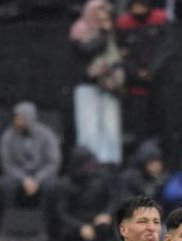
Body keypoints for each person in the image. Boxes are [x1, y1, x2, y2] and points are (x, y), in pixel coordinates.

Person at [70, 0, 124, 165]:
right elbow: (88, 51)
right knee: (89, 129)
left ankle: (111, 164)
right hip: (87, 86)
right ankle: (89, 165)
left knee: (110, 128)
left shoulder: (113, 32)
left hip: (109, 86)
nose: (102, 17)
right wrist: (103, 33)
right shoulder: (79, 30)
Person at [116, 0, 170, 146]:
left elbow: (166, 48)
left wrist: (152, 70)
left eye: (142, 5)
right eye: (135, 5)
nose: (139, 9)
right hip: (136, 84)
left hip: (159, 81)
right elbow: (121, 53)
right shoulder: (124, 24)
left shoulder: (159, 19)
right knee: (139, 125)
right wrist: (136, 72)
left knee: (163, 122)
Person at [0, 102, 62, 209]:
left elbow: (53, 162)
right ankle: (9, 218)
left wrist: (37, 179)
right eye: (16, 118)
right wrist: (24, 179)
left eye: (21, 119)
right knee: (6, 184)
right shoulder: (7, 136)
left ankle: (46, 221)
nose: (17, 122)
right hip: (18, 174)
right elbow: (7, 164)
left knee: (51, 185)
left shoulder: (47, 135)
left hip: (42, 174)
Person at [52, 146, 117, 241]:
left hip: (97, 220)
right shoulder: (65, 184)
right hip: (75, 223)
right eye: (86, 164)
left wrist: (107, 213)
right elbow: (61, 213)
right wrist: (80, 226)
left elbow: (112, 200)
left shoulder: (101, 180)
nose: (90, 167)